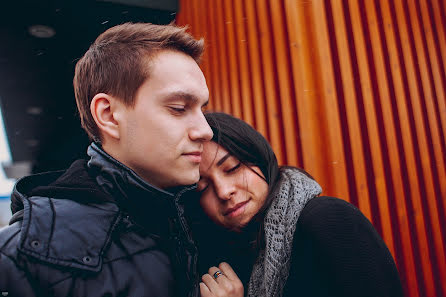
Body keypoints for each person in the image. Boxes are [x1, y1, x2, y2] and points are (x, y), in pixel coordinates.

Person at [0, 22, 213, 297]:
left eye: (202, 109)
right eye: (179, 108)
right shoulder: (19, 261)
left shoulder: (204, 218)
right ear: (109, 115)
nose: (205, 131)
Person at [186, 112, 404, 297]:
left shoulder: (327, 221)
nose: (224, 192)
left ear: (260, 159)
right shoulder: (215, 265)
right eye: (203, 188)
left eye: (233, 168)